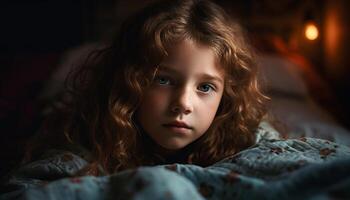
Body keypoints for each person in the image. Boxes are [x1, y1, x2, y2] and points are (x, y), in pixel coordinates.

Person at [1, 0, 276, 199]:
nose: (183, 103)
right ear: (127, 81)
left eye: (205, 87)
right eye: (163, 79)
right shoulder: (87, 134)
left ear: (226, 97)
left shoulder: (245, 135)